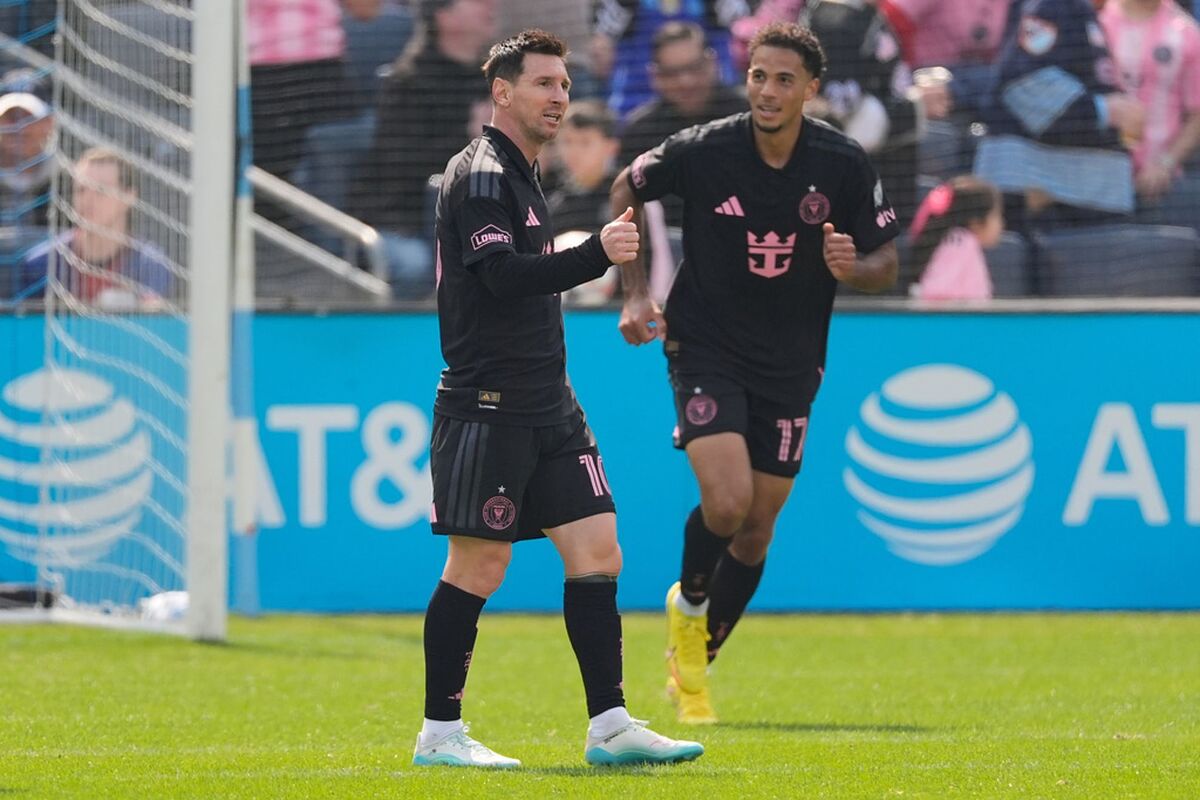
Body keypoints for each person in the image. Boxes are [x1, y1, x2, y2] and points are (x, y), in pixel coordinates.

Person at [414, 29, 705, 769]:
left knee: (598, 547)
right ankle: (439, 735)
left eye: (566, 86)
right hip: (488, 401)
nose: (559, 97)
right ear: (502, 91)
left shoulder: (522, 173)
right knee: (477, 567)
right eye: (544, 84)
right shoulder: (480, 173)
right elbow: (503, 276)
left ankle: (609, 726)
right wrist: (594, 255)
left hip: (549, 402)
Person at [611, 21, 899, 724]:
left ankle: (697, 659)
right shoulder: (706, 149)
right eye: (759, 76)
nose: (768, 91)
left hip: (792, 361)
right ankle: (692, 604)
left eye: (784, 80)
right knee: (728, 499)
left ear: (811, 90)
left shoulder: (843, 163)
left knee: (757, 530)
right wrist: (635, 290)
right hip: (704, 344)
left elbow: (887, 263)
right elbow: (627, 183)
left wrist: (852, 267)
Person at [361, 0, 496, 298]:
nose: (489, 5)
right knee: (416, 265)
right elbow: (401, 165)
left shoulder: (494, 79)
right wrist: (469, 137)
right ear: (444, 17)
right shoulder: (407, 81)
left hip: (483, 217)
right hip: (403, 220)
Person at [974, 0, 1144, 231]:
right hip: (1047, 200)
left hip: (1083, 198)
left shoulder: (1079, 10)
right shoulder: (1051, 5)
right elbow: (1024, 83)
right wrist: (1104, 110)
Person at [22, 148, 174, 309]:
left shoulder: (150, 265)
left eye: (101, 190)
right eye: (81, 190)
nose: (88, 200)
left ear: (129, 196)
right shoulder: (42, 264)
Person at [1100, 0, 1200, 228]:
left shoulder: (1186, 31)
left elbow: (1197, 115)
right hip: (1101, 184)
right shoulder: (1096, 25)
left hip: (1161, 188)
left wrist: (1165, 163)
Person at [908, 176, 1002, 301]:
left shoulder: (962, 243)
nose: (1001, 224)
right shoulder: (961, 243)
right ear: (976, 223)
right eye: (996, 215)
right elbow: (936, 292)